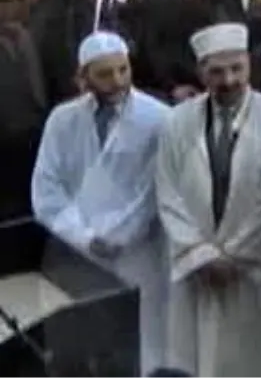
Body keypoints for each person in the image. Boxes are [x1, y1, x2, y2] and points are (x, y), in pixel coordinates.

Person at [155, 22, 261, 378]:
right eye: (217, 72)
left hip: (252, 271)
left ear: (249, 65)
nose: (229, 80)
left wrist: (232, 255)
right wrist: (202, 255)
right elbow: (168, 194)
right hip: (197, 271)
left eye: (237, 69)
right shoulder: (178, 123)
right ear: (201, 72)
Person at [31, 31, 171, 373]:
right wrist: (84, 237)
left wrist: (119, 237)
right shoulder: (62, 120)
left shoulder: (159, 118)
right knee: (78, 349)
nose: (118, 81)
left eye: (123, 70)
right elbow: (47, 189)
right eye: (105, 74)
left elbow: (156, 191)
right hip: (74, 255)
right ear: (83, 78)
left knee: (140, 350)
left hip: (138, 255)